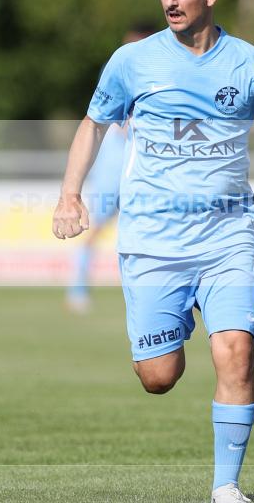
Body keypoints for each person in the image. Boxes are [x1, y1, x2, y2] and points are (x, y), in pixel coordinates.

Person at [52, 0, 254, 503]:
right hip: (152, 242)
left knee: (237, 352)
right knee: (159, 376)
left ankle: (226, 487)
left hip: (228, 237)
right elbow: (94, 124)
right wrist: (69, 195)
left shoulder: (251, 65)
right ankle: (172, 320)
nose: (170, 1)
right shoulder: (132, 61)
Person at [66, 24, 157, 313]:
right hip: (114, 164)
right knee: (94, 227)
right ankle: (78, 287)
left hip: (145, 165)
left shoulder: (161, 68)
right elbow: (106, 117)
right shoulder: (117, 67)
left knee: (152, 228)